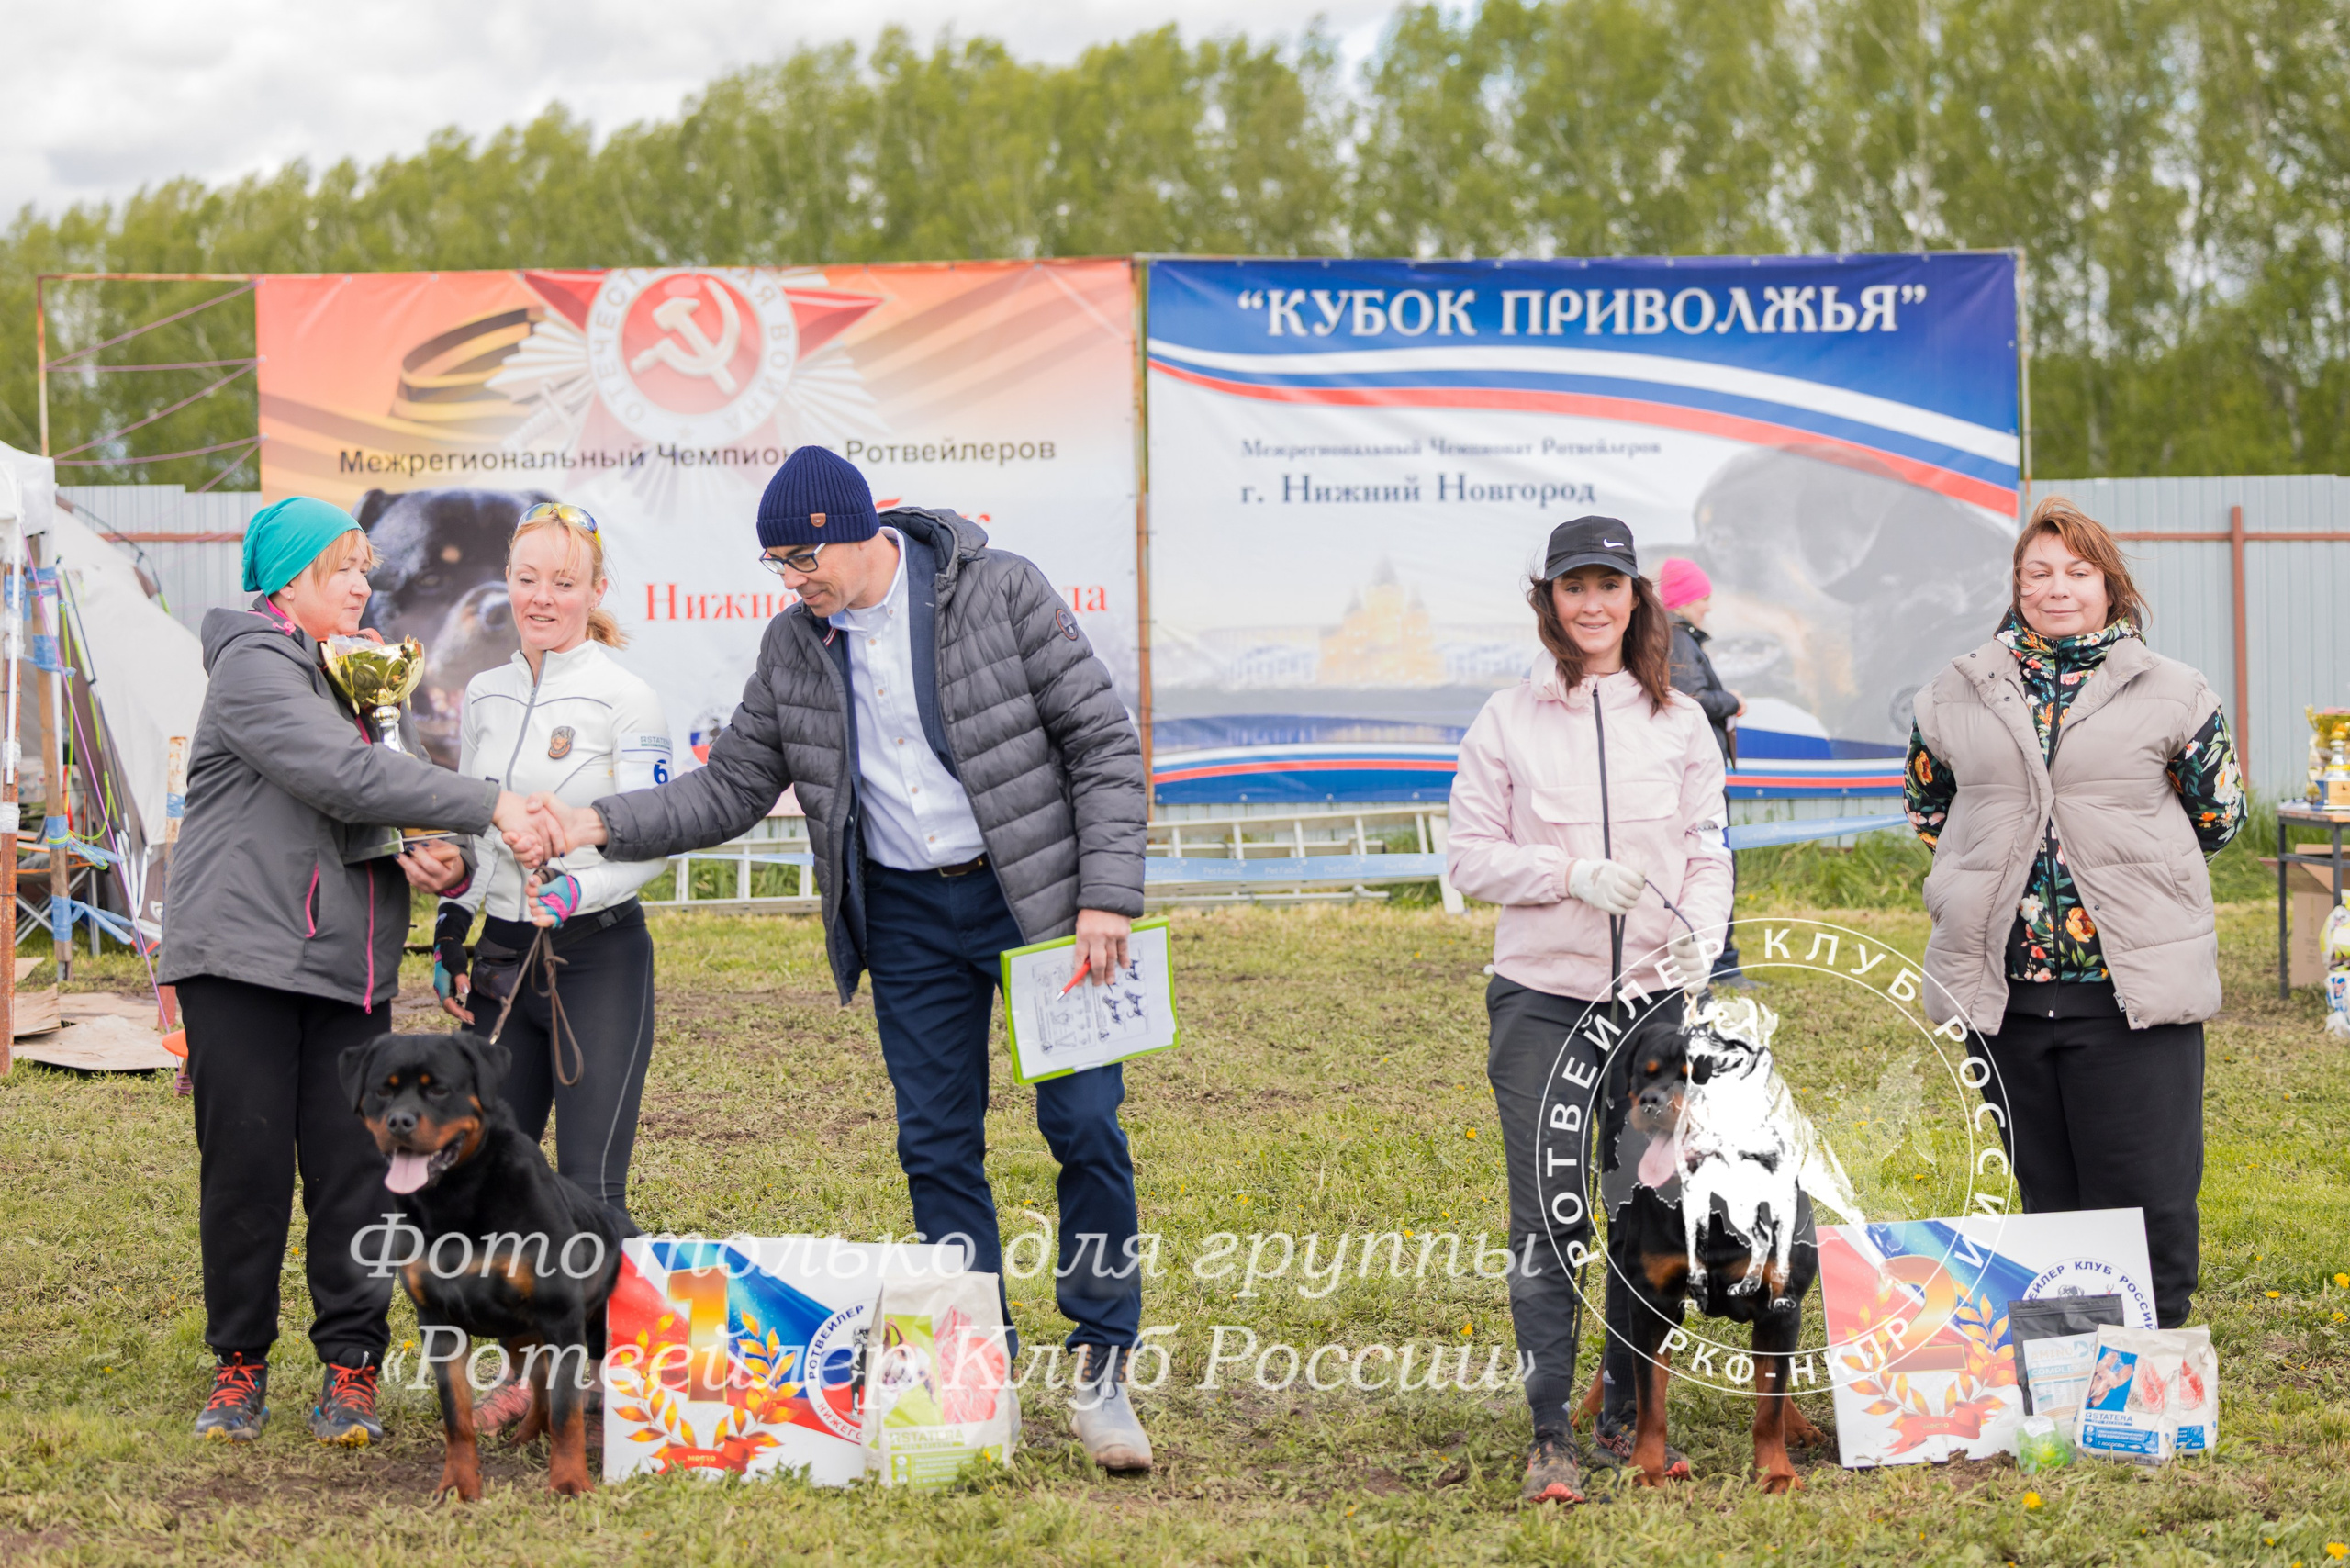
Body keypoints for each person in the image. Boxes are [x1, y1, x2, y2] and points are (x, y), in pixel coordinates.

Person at [519, 445, 1157, 1472]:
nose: (792, 579)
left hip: (1038, 902)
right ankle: (974, 1368)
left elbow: (1100, 744)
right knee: (936, 1148)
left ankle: (1102, 1366)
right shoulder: (792, 647)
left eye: (801, 556)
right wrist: (592, 820)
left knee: (1083, 1125)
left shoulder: (999, 591)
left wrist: (1104, 897)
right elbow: (723, 790)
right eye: (777, 563)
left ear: (857, 529)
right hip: (902, 915)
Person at [157, 495, 543, 1446]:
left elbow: (386, 799)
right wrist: (489, 804)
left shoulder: (358, 677)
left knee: (358, 1179)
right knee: (245, 1173)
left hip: (348, 962)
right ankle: (239, 1369)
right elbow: (345, 778)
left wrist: (438, 849)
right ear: (289, 580)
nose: (364, 586)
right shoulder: (256, 663)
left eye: (367, 568)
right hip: (243, 959)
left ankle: (350, 1371)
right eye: (343, 569)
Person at [1448, 517, 1733, 1506]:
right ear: (1550, 601)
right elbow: (1468, 858)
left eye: (1608, 586)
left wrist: (1697, 936)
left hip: (1651, 1005)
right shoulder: (1506, 720)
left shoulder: (1680, 720)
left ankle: (1622, 1417)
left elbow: (1705, 847)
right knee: (1549, 1212)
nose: (1592, 604)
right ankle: (1546, 1436)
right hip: (1540, 999)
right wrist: (1566, 872)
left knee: (1645, 1204)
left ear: (1635, 597)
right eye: (1574, 587)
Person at [1907, 495, 2244, 1330]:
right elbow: (1928, 808)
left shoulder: (2174, 691)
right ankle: (2063, 1362)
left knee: (2149, 1190)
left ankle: (2153, 1359)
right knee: (2043, 1191)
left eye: (2078, 572)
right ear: (2017, 586)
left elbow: (2221, 815)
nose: (2058, 589)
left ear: (2110, 585)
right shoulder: (1955, 691)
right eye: (2039, 573)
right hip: (2005, 993)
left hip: (2127, 990)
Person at [428, 500, 670, 1436]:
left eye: (563, 582)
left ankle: (629, 1369)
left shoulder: (626, 694)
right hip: (498, 958)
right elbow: (470, 827)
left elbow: (655, 840)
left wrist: (573, 892)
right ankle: (528, 1373)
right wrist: (453, 923)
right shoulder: (484, 691)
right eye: (527, 578)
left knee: (588, 1184)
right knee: (491, 1175)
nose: (541, 597)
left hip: (595, 954)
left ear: (594, 591)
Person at [1658, 557, 1748, 984]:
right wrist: (1731, 700)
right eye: (1704, 598)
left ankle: (1712, 958)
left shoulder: (1673, 639)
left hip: (1690, 773)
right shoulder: (1679, 641)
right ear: (1686, 600)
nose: (1708, 608)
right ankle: (1722, 964)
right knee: (1712, 861)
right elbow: (1690, 698)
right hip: (1699, 777)